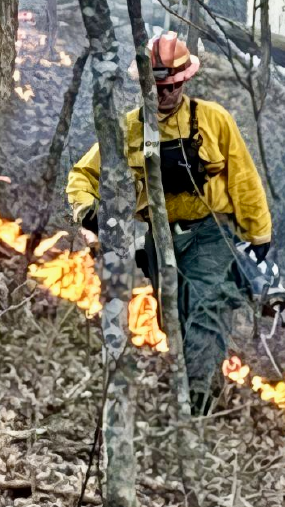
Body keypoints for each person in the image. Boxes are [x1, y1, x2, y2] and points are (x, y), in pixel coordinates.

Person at [66, 31, 272, 412]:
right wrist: (88, 211)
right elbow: (82, 175)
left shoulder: (214, 120)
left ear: (185, 80)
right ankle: (195, 381)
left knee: (207, 308)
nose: (166, 94)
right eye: (158, 87)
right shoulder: (129, 129)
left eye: (173, 86)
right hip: (162, 243)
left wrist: (259, 233)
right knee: (172, 320)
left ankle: (197, 406)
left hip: (211, 233)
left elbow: (244, 179)